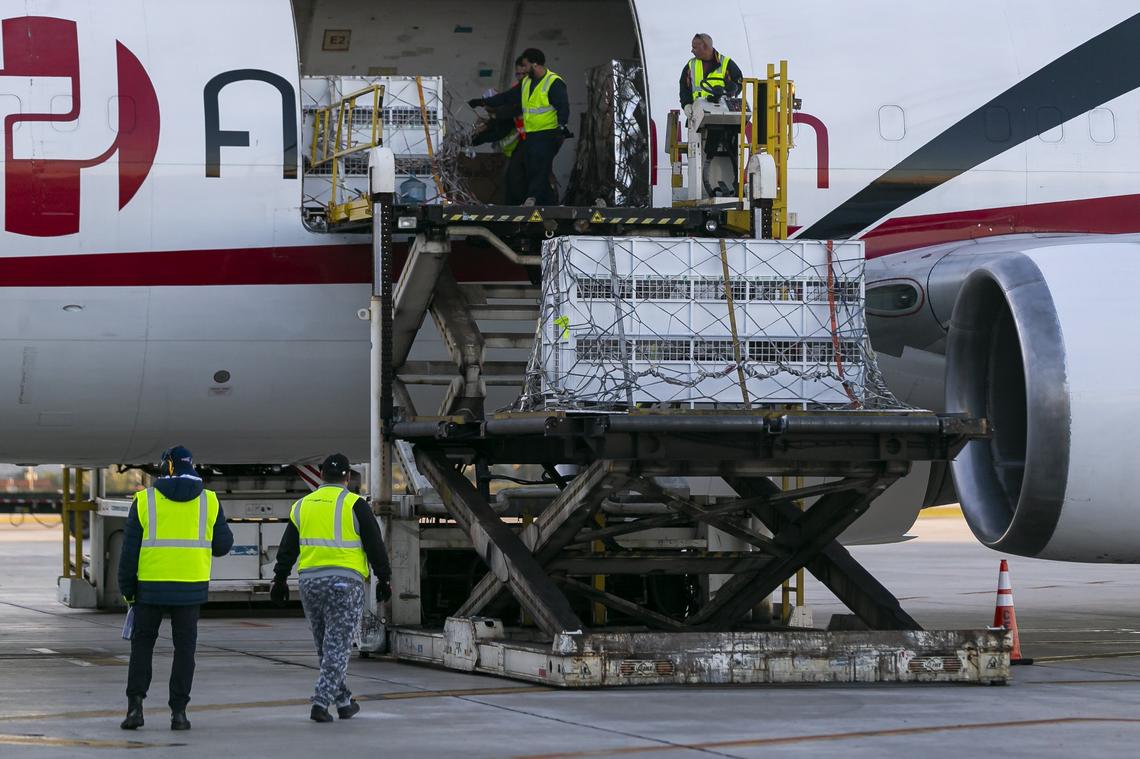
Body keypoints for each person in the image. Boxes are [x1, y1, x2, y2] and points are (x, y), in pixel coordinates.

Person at [118, 446, 234, 732]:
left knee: (142, 647)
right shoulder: (209, 500)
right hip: (190, 588)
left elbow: (129, 552)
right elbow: (222, 546)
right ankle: (179, 713)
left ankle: (135, 709)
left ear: (167, 467)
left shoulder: (145, 500)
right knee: (185, 650)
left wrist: (128, 591)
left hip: (150, 588)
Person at [271, 453, 392, 723]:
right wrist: (384, 578)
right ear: (347, 477)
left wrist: (279, 579)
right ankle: (321, 702)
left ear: (321, 475)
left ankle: (345, 701)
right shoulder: (355, 504)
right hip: (345, 584)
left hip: (310, 583)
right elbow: (375, 545)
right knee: (337, 648)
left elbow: (287, 547)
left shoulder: (302, 505)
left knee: (326, 648)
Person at [469, 47, 570, 205]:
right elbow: (507, 97)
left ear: (534, 64)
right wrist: (483, 102)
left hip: (547, 133)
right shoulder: (527, 83)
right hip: (531, 135)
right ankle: (542, 203)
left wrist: (561, 126)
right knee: (527, 169)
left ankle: (535, 200)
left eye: (525, 65)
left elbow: (563, 106)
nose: (523, 69)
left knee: (539, 169)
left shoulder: (553, 82)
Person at [470, 56, 530, 203]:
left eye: (524, 74)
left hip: (529, 144)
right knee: (512, 178)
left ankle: (518, 208)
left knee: (514, 178)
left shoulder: (518, 98)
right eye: (518, 74)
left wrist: (474, 140)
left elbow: (498, 130)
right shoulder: (517, 93)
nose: (521, 77)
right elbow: (494, 124)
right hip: (522, 146)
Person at [679, 33, 743, 112]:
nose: (692, 51)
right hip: (697, 113)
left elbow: (738, 84)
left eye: (694, 48)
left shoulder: (727, 64)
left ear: (705, 47)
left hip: (722, 113)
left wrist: (726, 92)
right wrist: (686, 104)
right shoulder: (690, 65)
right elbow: (684, 87)